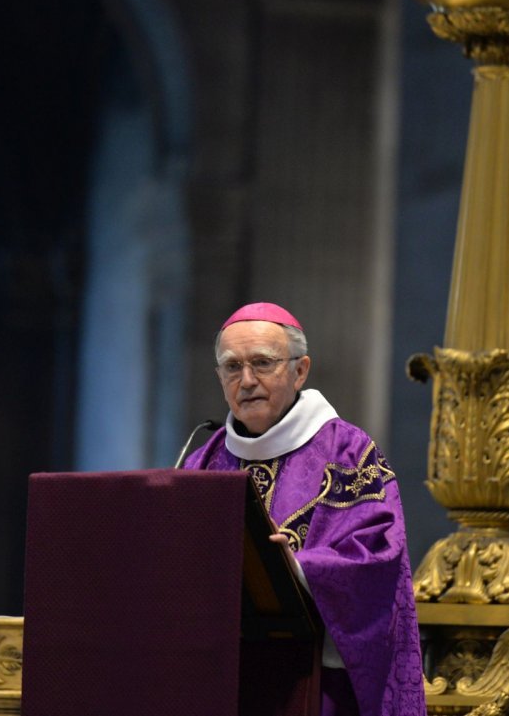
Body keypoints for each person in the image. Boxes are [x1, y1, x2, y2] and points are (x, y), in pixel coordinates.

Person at [183, 302, 425, 716]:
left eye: (262, 363)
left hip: (316, 681)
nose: (246, 381)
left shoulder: (348, 453)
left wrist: (294, 569)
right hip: (222, 677)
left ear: (299, 371)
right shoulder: (203, 460)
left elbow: (379, 557)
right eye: (231, 367)